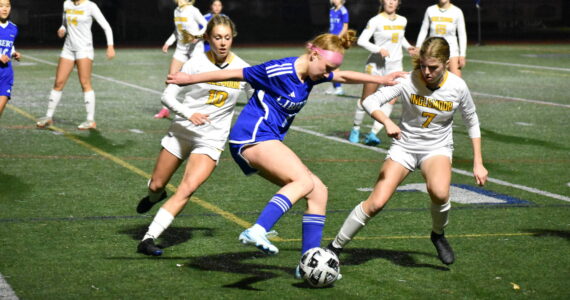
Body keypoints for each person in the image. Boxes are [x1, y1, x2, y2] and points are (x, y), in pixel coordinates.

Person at [167, 30, 405, 273]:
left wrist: (382, 81)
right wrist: (189, 79)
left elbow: (342, 76)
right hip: (251, 136)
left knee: (318, 191)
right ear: (313, 55)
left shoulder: (312, 75)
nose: (327, 74)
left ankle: (307, 263)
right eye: (326, 67)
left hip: (267, 139)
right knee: (302, 180)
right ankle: (257, 230)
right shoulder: (278, 70)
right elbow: (233, 73)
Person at [328, 37, 488, 267]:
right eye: (423, 65)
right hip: (404, 146)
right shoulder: (407, 80)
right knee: (376, 203)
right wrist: (386, 121)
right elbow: (370, 101)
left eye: (433, 67)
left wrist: (478, 162)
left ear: (445, 63)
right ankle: (334, 247)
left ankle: (437, 234)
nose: (427, 72)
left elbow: (472, 121)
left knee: (440, 193)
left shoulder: (457, 87)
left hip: (437, 148)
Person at [136, 15, 252, 256]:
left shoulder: (243, 69)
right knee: (157, 184)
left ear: (233, 39)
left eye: (227, 38)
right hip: (183, 131)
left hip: (212, 138)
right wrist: (189, 114)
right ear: (208, 38)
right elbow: (167, 97)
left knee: (187, 189)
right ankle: (155, 195)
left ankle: (149, 238)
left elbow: (254, 101)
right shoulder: (195, 63)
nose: (223, 43)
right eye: (218, 37)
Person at [36, 0, 114, 130]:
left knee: (85, 83)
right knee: (58, 82)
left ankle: (90, 120)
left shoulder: (90, 6)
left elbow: (106, 27)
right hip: (68, 48)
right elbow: (64, 23)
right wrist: (62, 28)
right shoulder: (67, 4)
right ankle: (48, 116)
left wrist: (110, 46)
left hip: (84, 49)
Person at [348, 0, 415, 146]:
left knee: (391, 99)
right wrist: (378, 49)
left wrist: (408, 47)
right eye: (388, 0)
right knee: (366, 100)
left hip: (395, 65)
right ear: (382, 2)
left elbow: (399, 36)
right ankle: (355, 129)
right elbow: (362, 41)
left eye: (394, 0)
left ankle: (373, 133)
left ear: (398, 3)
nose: (391, 2)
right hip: (376, 65)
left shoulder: (403, 20)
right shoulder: (376, 20)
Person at [155, 0, 208, 119]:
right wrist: (168, 43)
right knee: (170, 79)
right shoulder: (176, 11)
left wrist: (197, 36)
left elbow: (206, 25)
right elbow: (177, 31)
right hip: (181, 49)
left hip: (196, 50)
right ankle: (165, 109)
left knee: (199, 81)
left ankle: (201, 108)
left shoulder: (193, 10)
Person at [416, 0, 467, 77]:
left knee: (457, 79)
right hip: (434, 50)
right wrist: (418, 46)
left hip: (452, 51)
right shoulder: (430, 10)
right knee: (431, 79)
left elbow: (462, 34)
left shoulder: (457, 11)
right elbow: (423, 30)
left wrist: (462, 54)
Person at [0, 0, 20, 119]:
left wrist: (13, 53)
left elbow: (9, 45)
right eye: (1, 6)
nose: (4, 9)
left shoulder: (13, 28)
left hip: (6, 74)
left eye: (7, 6)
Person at [326, 0, 349, 96]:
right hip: (331, 40)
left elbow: (345, 27)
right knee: (329, 63)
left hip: (338, 41)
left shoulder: (343, 10)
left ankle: (339, 88)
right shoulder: (332, 10)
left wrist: (338, 38)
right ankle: (334, 86)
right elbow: (332, 27)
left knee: (334, 63)